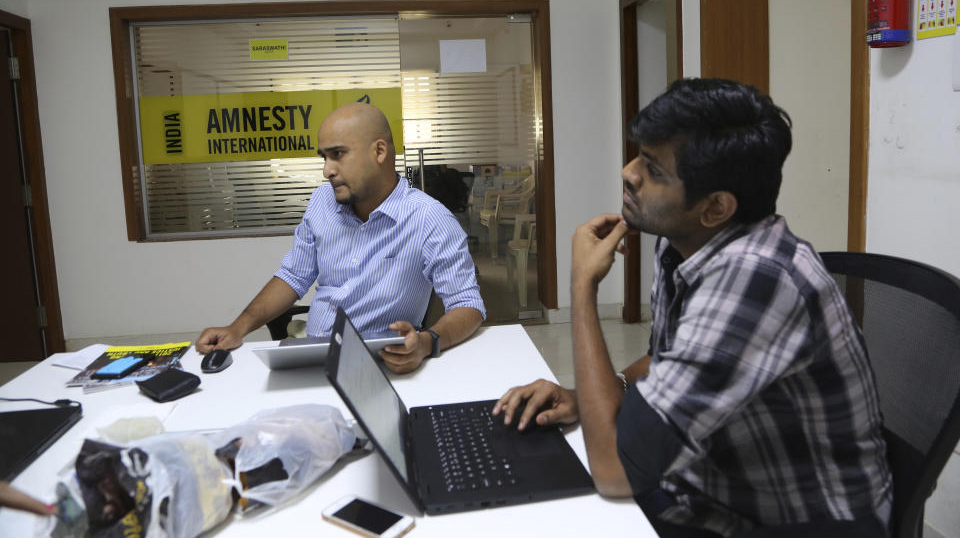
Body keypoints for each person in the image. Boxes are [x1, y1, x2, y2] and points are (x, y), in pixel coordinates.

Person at [494, 79, 892, 537]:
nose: (629, 172)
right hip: (712, 480)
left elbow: (614, 471)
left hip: (799, 518)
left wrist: (581, 286)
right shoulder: (683, 245)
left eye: (654, 170)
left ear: (716, 207)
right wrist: (592, 395)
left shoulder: (755, 279)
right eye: (638, 155)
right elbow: (668, 360)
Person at [196, 102, 485, 374]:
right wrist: (238, 328)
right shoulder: (323, 201)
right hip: (314, 358)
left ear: (380, 152)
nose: (326, 170)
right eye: (324, 157)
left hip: (381, 366)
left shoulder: (429, 219)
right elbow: (294, 275)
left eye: (338, 154)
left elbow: (468, 304)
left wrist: (427, 342)